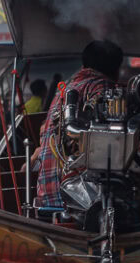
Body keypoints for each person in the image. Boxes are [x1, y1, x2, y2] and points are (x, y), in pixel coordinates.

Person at [35, 40, 123, 210]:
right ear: (116, 70)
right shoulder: (103, 87)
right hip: (80, 204)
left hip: (47, 199)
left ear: (84, 64)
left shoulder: (67, 88)